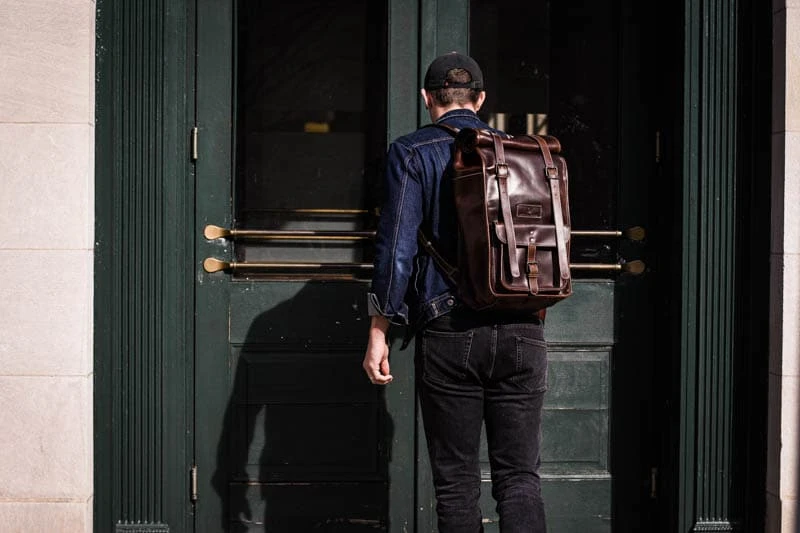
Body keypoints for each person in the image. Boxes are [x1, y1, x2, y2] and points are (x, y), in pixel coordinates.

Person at [363, 51, 548, 533]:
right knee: (520, 477)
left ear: (427, 99)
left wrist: (380, 327)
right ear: (481, 99)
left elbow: (397, 247)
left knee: (456, 481)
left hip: (450, 327)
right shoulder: (523, 150)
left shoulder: (411, 152)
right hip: (523, 326)